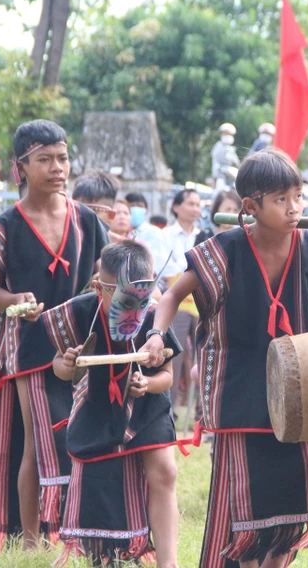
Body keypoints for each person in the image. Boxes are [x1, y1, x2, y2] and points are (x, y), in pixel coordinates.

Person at [140, 149, 308, 568]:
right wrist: (157, 333)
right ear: (251, 206)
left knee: (296, 497)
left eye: (298, 196)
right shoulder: (224, 249)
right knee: (251, 506)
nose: (294, 207)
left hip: (299, 390)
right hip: (239, 390)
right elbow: (172, 295)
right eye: (281, 199)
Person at [0, 119, 109, 550]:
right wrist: (14, 299)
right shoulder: (6, 225)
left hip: (82, 346)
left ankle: (75, 530)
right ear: (21, 168)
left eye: (62, 158)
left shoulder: (87, 220)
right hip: (30, 348)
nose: (56, 167)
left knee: (79, 435)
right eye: (44, 159)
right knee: (38, 442)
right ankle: (30, 541)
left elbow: (102, 277)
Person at [44, 240, 183, 566]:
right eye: (123, 297)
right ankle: (105, 555)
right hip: (96, 405)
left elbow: (167, 376)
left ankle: (169, 562)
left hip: (148, 405)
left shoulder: (153, 318)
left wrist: (146, 383)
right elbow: (61, 370)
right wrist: (67, 363)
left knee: (165, 471)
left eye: (143, 294)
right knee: (98, 480)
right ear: (99, 287)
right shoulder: (79, 311)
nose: (134, 305)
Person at [160, 189, 201, 409]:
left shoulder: (203, 235)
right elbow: (165, 268)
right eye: (190, 204)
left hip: (201, 302)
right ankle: (170, 409)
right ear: (176, 207)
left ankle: (202, 412)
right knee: (173, 355)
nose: (195, 209)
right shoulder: (165, 235)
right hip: (176, 302)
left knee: (204, 353)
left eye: (198, 204)